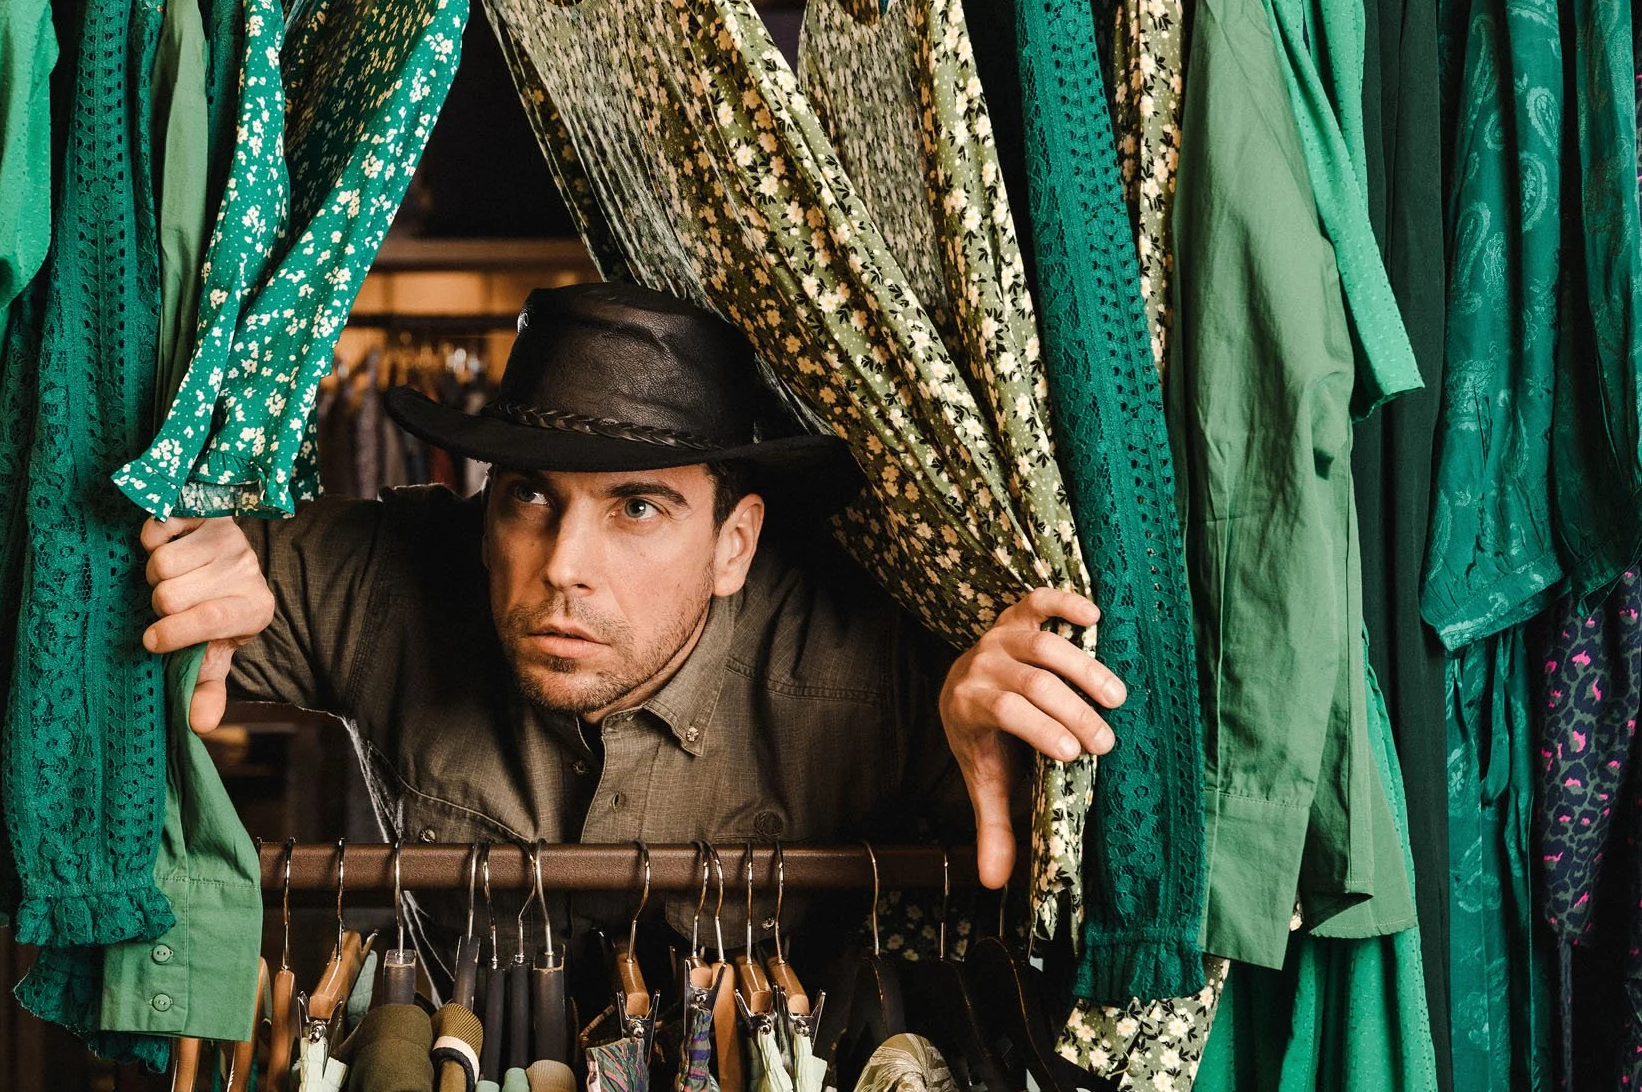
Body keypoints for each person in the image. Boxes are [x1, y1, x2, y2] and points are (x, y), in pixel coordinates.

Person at [138, 281, 1121, 898]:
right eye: (528, 495)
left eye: (637, 507)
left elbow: (1031, 869)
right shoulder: (392, 581)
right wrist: (191, 548)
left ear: (734, 545)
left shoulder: (872, 672)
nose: (563, 561)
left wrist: (1007, 746)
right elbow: (166, 583)